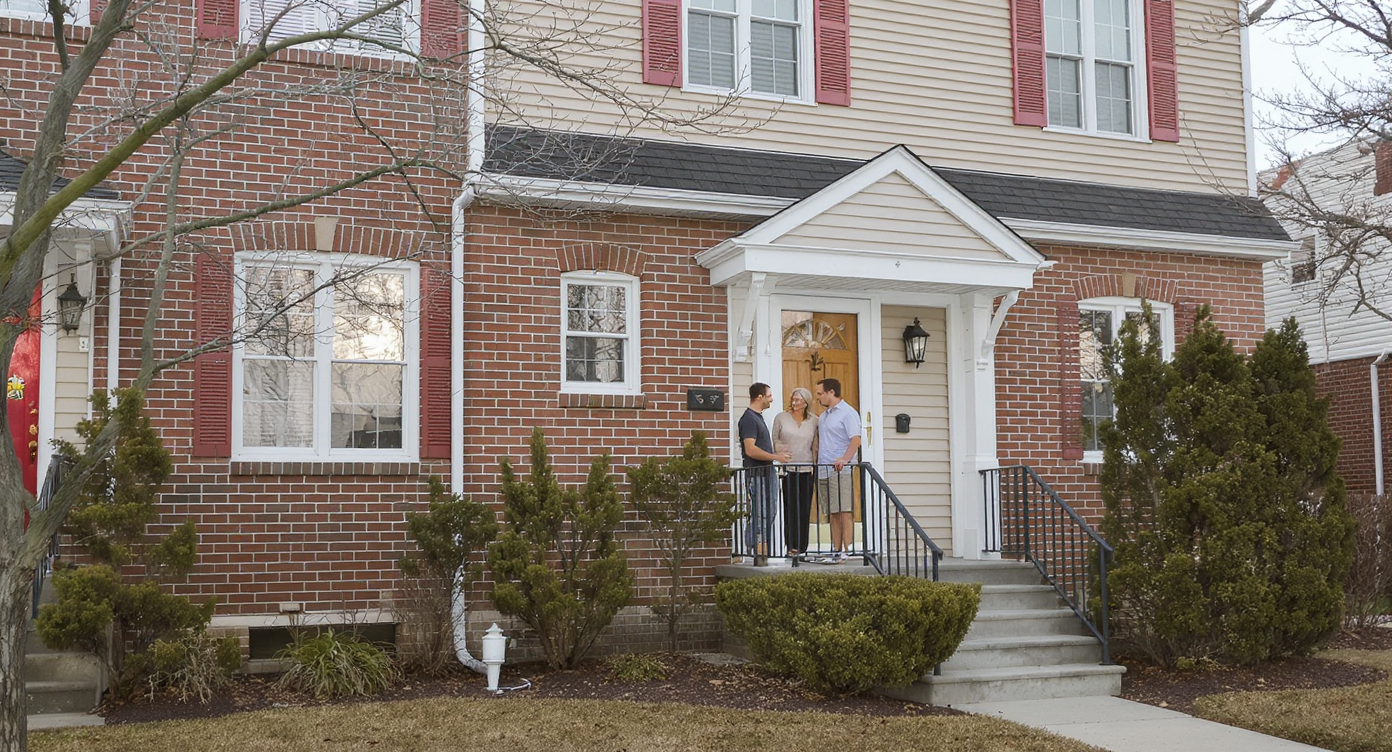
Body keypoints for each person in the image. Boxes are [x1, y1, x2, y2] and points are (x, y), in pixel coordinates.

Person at [738, 382, 791, 566]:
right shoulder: (749, 419)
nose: (772, 399)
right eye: (769, 396)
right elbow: (750, 450)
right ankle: (756, 552)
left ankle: (761, 550)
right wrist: (776, 457)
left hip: (767, 473)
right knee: (760, 513)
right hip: (757, 474)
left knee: (769, 512)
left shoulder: (758, 418)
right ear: (759, 397)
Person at [815, 377, 862, 563]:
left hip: (840, 470)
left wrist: (845, 459)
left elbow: (856, 440)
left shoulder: (848, 413)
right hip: (824, 469)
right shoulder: (825, 415)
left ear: (831, 392)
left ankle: (846, 550)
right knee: (832, 512)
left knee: (844, 511)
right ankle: (835, 550)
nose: (818, 397)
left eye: (820, 393)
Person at [772, 387, 817, 557]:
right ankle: (791, 546)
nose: (794, 402)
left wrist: (814, 464)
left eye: (798, 400)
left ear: (806, 403)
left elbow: (816, 444)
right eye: (793, 398)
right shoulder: (781, 418)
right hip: (789, 469)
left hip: (807, 469)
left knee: (804, 509)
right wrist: (781, 453)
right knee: (790, 508)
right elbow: (775, 438)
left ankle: (802, 547)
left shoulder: (814, 421)